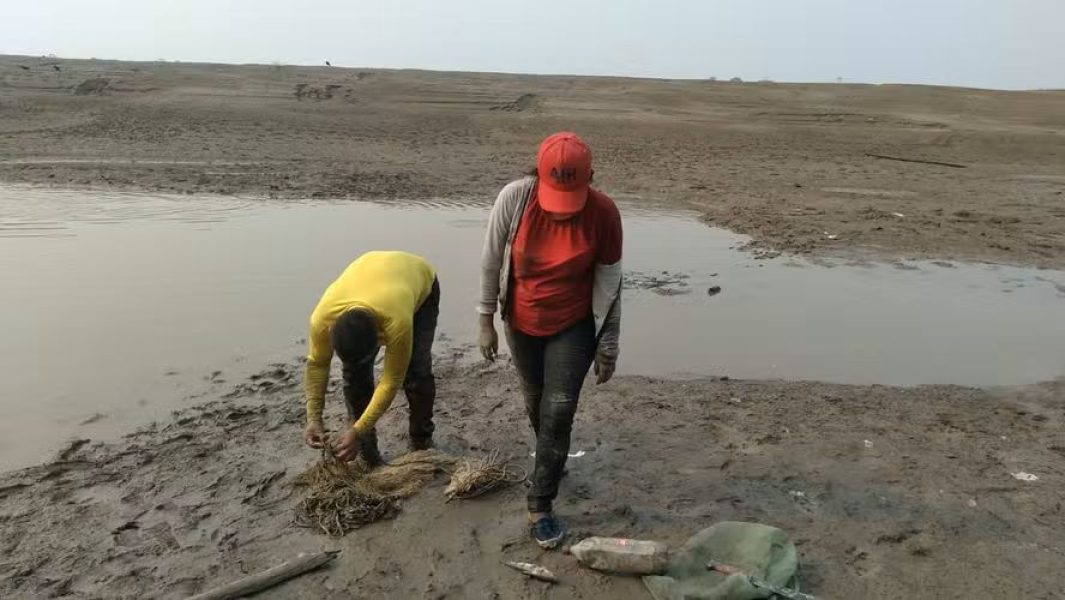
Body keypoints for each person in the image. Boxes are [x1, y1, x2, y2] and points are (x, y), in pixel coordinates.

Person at [478, 132, 623, 549]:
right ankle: (551, 461)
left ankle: (540, 503)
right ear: (539, 176)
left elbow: (611, 283)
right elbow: (491, 260)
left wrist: (608, 343)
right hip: (521, 321)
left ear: (590, 177)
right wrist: (485, 318)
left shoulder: (604, 213)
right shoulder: (515, 199)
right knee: (535, 402)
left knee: (558, 410)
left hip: (573, 324)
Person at [302, 251, 440, 465]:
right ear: (330, 333)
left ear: (380, 338)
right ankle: (368, 450)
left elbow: (390, 380)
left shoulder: (397, 321)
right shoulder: (321, 319)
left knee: (417, 371)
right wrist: (313, 418)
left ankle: (421, 439)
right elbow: (317, 364)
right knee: (355, 378)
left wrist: (357, 429)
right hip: (371, 273)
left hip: (418, 278)